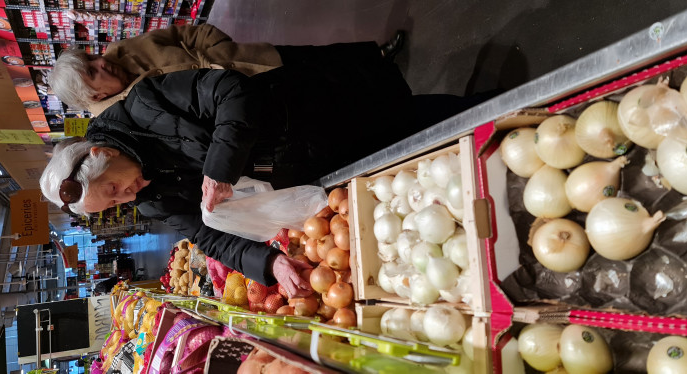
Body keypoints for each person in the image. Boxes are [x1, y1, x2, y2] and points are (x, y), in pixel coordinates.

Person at [41, 38, 483, 298]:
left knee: (415, 121)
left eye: (115, 190)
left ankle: (493, 108)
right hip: (311, 175)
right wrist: (269, 264)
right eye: (117, 204)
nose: (130, 197)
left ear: (100, 154)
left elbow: (230, 92)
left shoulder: (144, 104)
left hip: (311, 117)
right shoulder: (151, 200)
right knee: (410, 160)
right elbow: (204, 233)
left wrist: (219, 170)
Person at [49, 23, 405, 115]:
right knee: (324, 91)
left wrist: (219, 48)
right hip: (251, 94)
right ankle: (390, 93)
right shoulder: (125, 112)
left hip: (250, 58)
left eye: (93, 58)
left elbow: (183, 33)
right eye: (94, 71)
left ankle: (376, 55)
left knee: (320, 57)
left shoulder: (121, 50)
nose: (102, 61)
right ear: (95, 95)